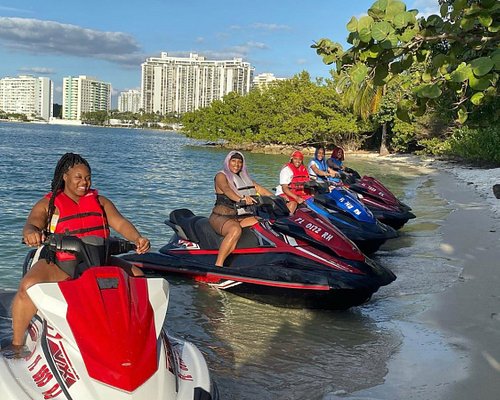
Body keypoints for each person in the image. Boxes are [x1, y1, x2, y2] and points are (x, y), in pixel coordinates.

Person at [7, 153, 150, 357]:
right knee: (27, 287)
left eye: (88, 177)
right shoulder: (49, 204)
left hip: (100, 261)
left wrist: (138, 238)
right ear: (65, 177)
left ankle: (139, 334)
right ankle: (17, 344)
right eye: (78, 177)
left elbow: (120, 223)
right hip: (62, 263)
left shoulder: (100, 201)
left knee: (138, 277)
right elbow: (33, 222)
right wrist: (31, 233)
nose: (84, 182)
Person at [208, 151, 273, 267]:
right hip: (221, 217)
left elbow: (260, 189)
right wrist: (241, 199)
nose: (236, 164)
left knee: (266, 223)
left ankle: (261, 259)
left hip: (241, 217)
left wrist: (278, 198)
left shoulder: (244, 178)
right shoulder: (221, 176)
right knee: (235, 230)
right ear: (228, 162)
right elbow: (227, 189)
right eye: (233, 161)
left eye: (240, 162)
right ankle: (218, 265)